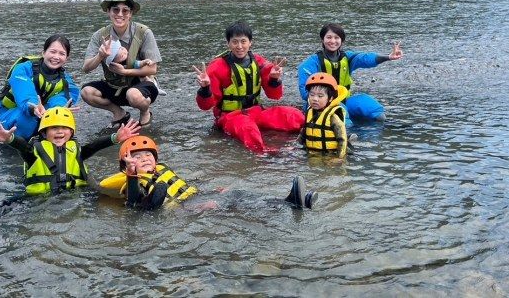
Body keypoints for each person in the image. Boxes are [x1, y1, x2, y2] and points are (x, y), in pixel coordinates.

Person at [0, 107, 140, 237]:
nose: (59, 132)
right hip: (37, 198)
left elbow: (94, 147)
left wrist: (115, 138)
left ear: (71, 131)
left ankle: (141, 203)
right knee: (4, 207)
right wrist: (10, 139)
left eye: (64, 128)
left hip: (76, 195)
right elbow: (23, 147)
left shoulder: (77, 150)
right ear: (44, 133)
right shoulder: (35, 151)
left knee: (112, 198)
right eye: (53, 128)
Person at [99, 135, 317, 210]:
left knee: (236, 194)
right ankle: (287, 206)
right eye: (137, 157)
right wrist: (130, 173)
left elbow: (183, 185)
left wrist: (210, 190)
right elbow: (135, 201)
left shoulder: (162, 170)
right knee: (230, 207)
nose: (144, 159)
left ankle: (286, 202)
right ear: (127, 164)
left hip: (196, 196)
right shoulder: (130, 182)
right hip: (184, 209)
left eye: (148, 155)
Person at [194, 22, 305, 152]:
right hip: (230, 116)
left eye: (243, 41)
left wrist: (274, 79)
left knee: (292, 114)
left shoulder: (259, 62)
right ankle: (265, 154)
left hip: (256, 112)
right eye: (235, 42)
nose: (239, 46)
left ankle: (313, 130)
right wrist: (205, 89)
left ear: (250, 42)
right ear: (228, 43)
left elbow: (274, 96)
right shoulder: (216, 67)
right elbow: (205, 106)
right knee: (248, 129)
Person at [81, 0, 162, 129]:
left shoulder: (144, 33)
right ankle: (119, 113)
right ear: (108, 11)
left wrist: (125, 72)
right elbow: (86, 68)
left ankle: (145, 111)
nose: (120, 14)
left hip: (141, 85)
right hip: (114, 85)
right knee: (86, 92)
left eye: (125, 11)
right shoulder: (99, 36)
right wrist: (100, 56)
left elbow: (152, 69)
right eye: (116, 10)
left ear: (130, 14)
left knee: (133, 95)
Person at [298, 23, 403, 122]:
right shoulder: (310, 63)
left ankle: (391, 128)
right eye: (329, 37)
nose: (333, 41)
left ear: (341, 41)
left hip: (345, 100)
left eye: (336, 38)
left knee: (373, 110)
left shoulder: (347, 57)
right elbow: (305, 93)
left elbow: (366, 58)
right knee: (342, 114)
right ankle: (347, 134)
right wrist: (323, 101)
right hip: (320, 104)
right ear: (322, 39)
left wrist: (388, 57)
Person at [0, 34, 81, 140]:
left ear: (66, 58)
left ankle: (43, 140)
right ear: (44, 53)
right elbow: (25, 94)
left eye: (62, 54)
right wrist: (34, 107)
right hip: (9, 116)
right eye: (52, 52)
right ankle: (16, 143)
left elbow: (67, 95)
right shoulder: (22, 69)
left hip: (39, 115)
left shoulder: (65, 79)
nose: (56, 57)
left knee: (62, 116)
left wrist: (58, 109)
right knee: (28, 118)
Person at [298, 73, 350, 159]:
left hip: (330, 155)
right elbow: (303, 134)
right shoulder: (309, 113)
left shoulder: (333, 117)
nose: (315, 99)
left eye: (320, 96)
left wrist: (339, 158)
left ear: (330, 98)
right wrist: (295, 147)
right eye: (312, 94)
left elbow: (342, 140)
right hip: (312, 154)